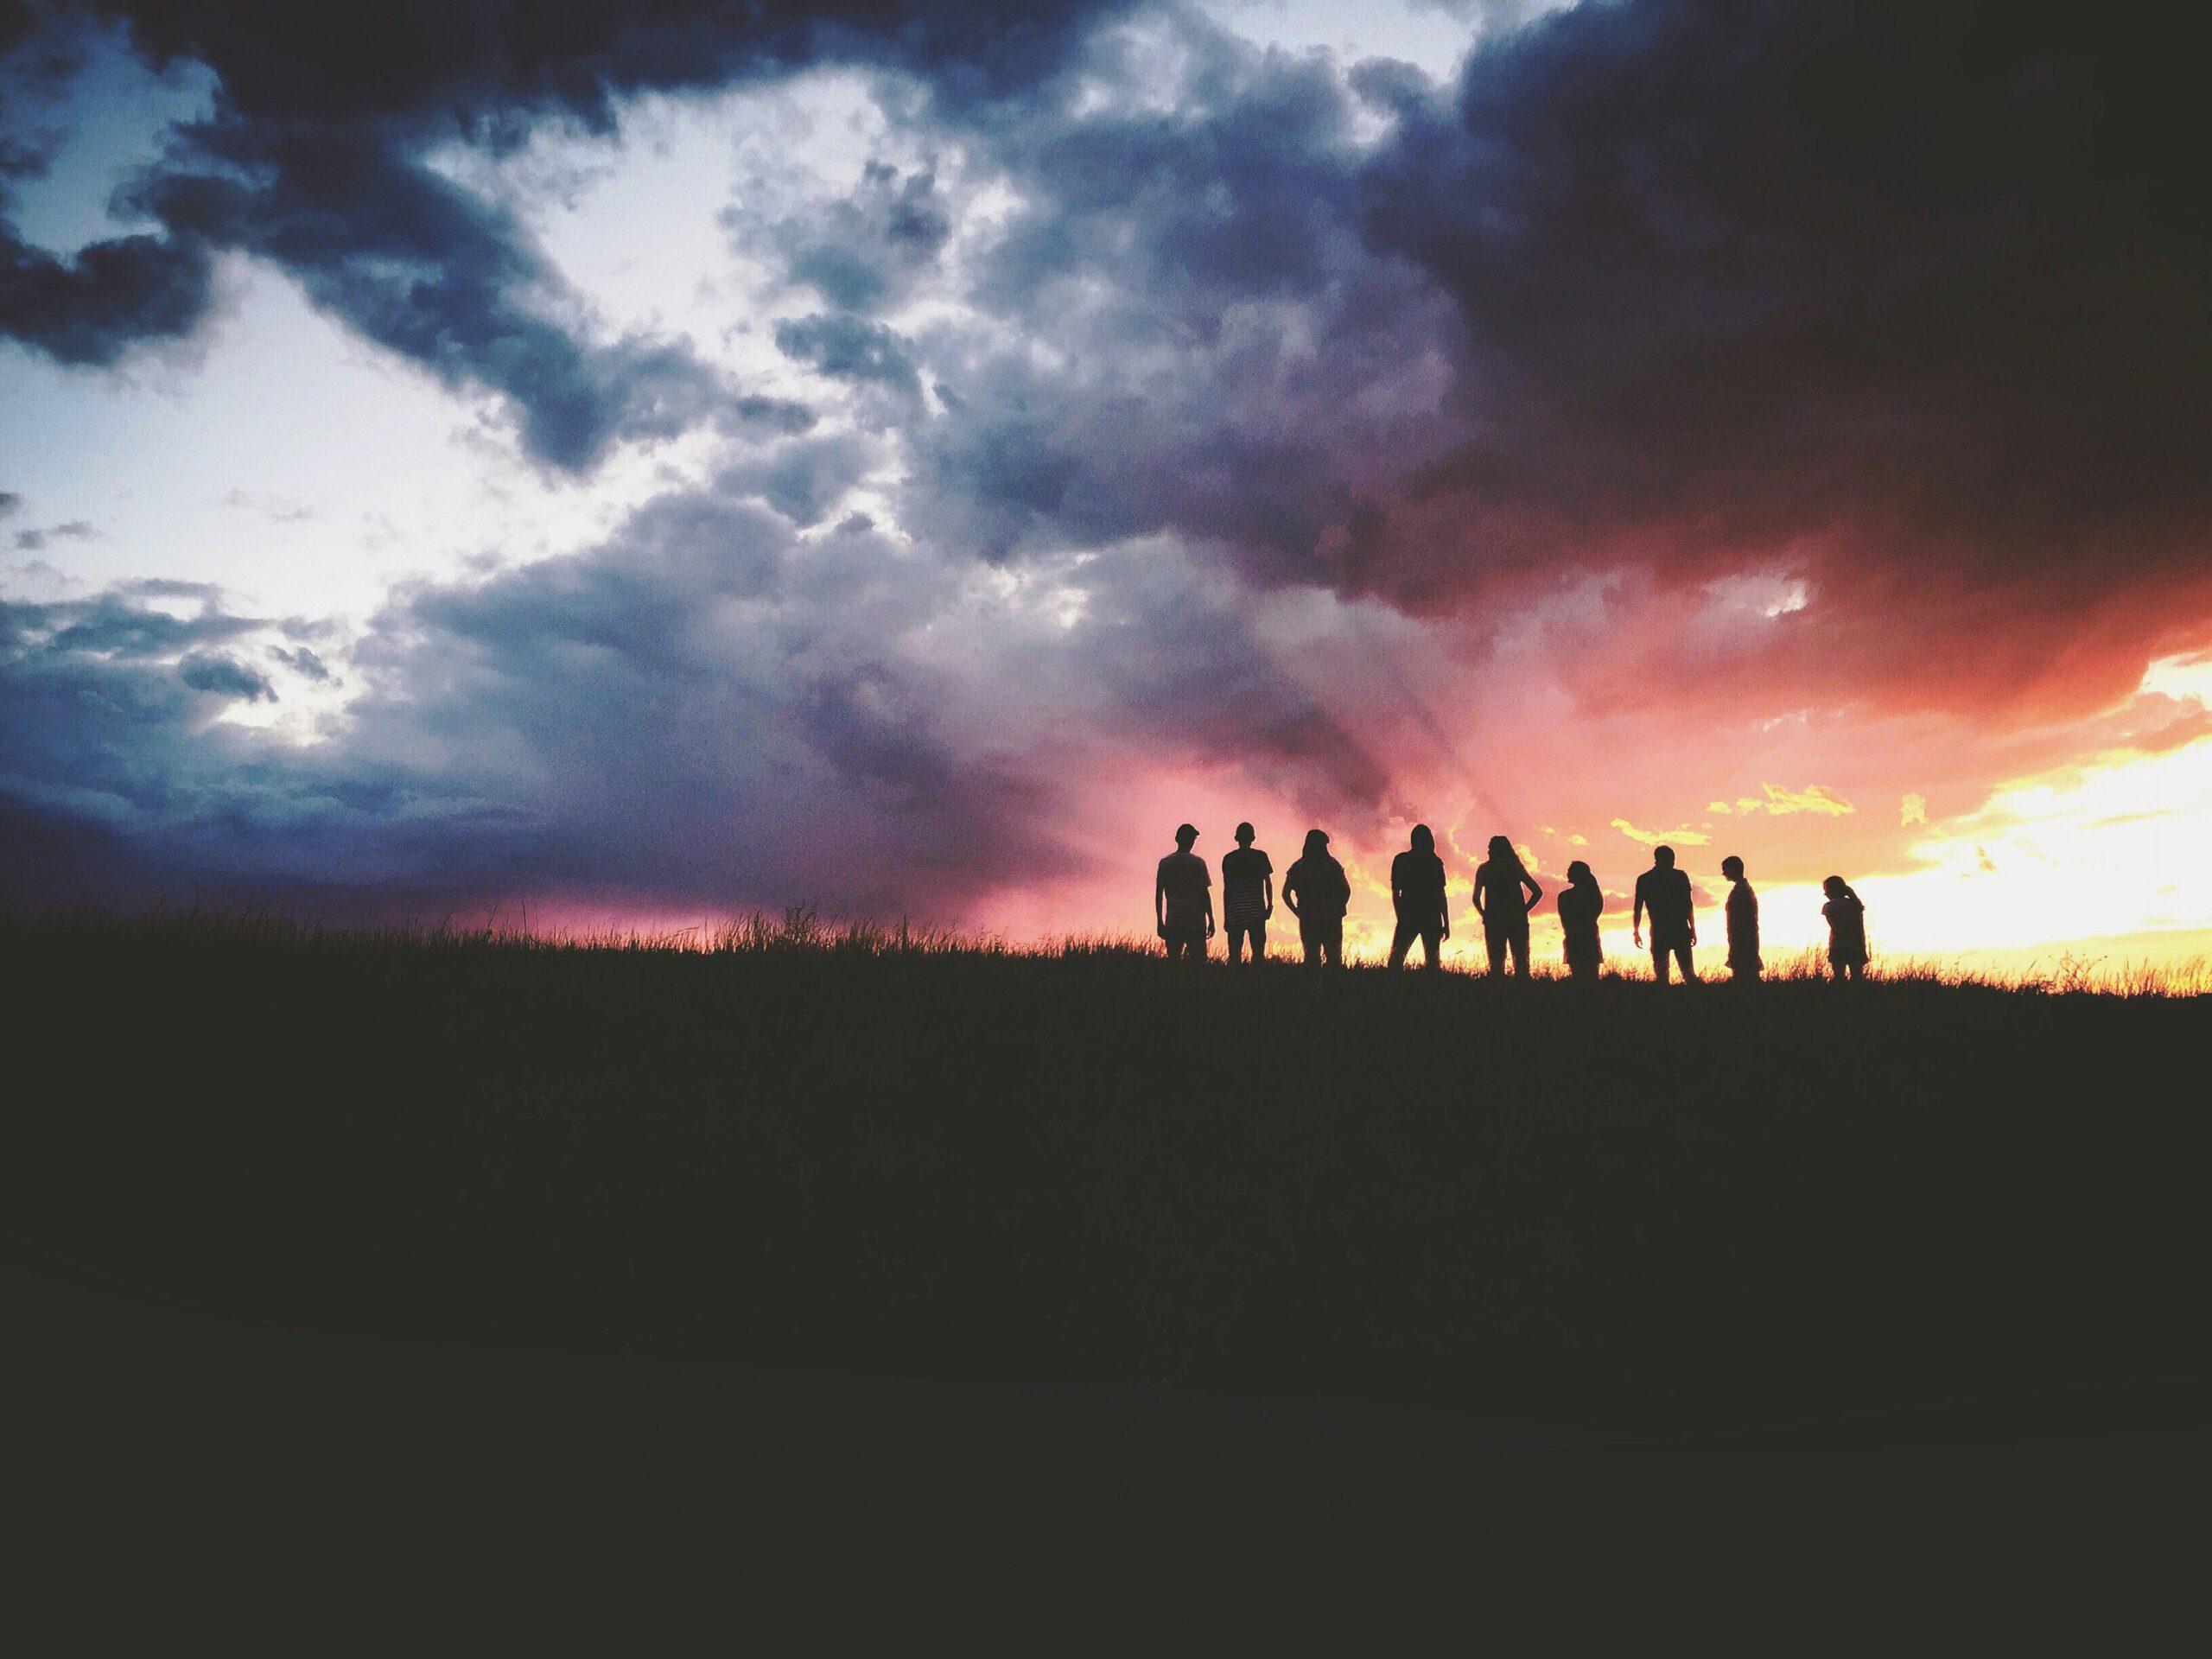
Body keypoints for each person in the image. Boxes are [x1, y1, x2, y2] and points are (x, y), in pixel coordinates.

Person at [1471, 835, 1543, 977]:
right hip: (1517, 920)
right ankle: (1523, 993)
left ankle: (1498, 993)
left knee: (1496, 963)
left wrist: (1483, 913)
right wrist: (1524, 910)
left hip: (1494, 920)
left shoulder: (1485, 869)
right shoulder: (1516, 867)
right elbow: (1537, 892)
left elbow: (1475, 897)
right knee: (1521, 961)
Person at [1281, 828, 1351, 970]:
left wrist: (1297, 912)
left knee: (1311, 960)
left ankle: (1313, 989)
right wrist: (1340, 908)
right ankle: (1335, 989)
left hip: (1308, 919)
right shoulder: (1333, 865)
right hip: (1332, 919)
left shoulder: (1298, 867)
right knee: (1334, 960)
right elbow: (1346, 890)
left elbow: (1285, 893)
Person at [1632, 844, 1699, 984]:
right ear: (1670, 859)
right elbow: (1688, 904)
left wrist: (1636, 931)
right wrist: (1692, 928)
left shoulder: (1644, 879)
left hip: (1659, 931)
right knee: (1689, 973)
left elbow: (1637, 907)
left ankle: (1664, 1002)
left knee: (1661, 977)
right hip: (1680, 928)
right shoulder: (1680, 876)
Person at [1388, 824, 1450, 968]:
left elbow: (1396, 893)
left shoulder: (1402, 860)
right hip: (1430, 915)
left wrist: (1401, 916)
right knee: (1432, 962)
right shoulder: (1435, 862)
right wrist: (1446, 923)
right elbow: (1441, 895)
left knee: (1396, 960)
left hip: (1411, 913)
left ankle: (1391, 986)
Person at [1154, 823, 1213, 962]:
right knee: (1198, 964)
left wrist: (1160, 922)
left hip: (1174, 920)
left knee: (1173, 962)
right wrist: (1211, 918)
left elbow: (1159, 895)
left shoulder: (1165, 863)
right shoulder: (1199, 863)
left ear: (1177, 839)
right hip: (1195, 921)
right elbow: (1205, 894)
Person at [1220, 822, 1274, 964]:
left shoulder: (1229, 859)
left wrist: (1226, 916)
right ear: (1253, 838)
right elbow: (1268, 883)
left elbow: (1227, 889)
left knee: (1234, 955)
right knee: (1258, 953)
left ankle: (1235, 983)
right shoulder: (1261, 856)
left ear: (1237, 838)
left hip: (1235, 912)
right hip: (1256, 911)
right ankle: (1256, 983)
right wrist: (1270, 906)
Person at [1557, 861, 1604, 980]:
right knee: (1592, 977)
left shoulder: (1564, 896)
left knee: (1578, 976)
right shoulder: (1594, 895)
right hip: (1589, 935)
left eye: (1569, 870)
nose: (1567, 873)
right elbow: (1595, 915)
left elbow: (1565, 920)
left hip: (1573, 936)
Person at [1721, 855, 1761, 982]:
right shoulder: (1743, 889)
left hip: (1743, 939)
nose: (1723, 873)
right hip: (1744, 937)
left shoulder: (1741, 891)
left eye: (1725, 869)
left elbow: (1738, 920)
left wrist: (1734, 939)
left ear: (1733, 869)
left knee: (1744, 974)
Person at [1822, 875, 1869, 982]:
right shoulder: (1855, 905)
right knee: (1857, 979)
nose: (1825, 894)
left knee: (1839, 979)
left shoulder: (1829, 906)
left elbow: (1835, 927)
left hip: (1838, 945)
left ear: (1832, 890)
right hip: (1856, 945)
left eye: (1826, 890)